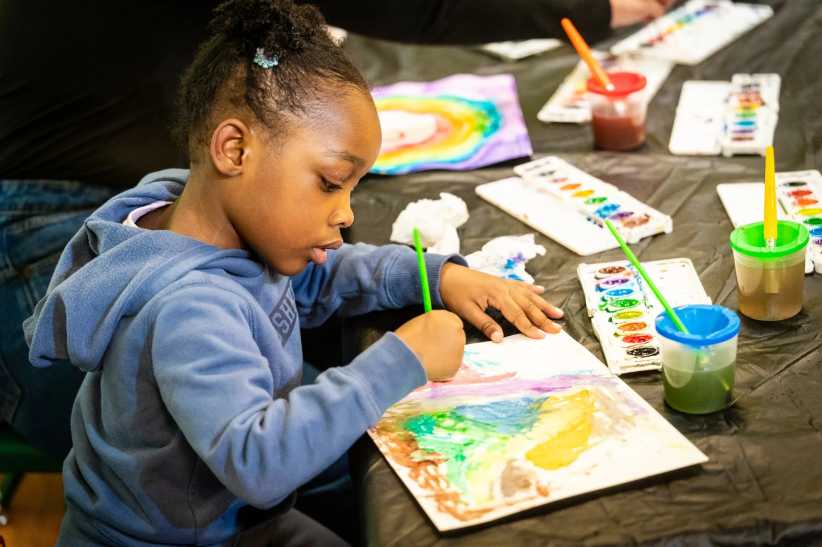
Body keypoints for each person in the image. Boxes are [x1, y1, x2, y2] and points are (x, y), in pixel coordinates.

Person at [0, 0, 672, 461]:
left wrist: (436, 274)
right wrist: (398, 359)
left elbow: (323, 277)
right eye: (330, 182)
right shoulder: (190, 309)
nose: (348, 213)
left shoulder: (192, 205)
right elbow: (257, 454)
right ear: (233, 150)